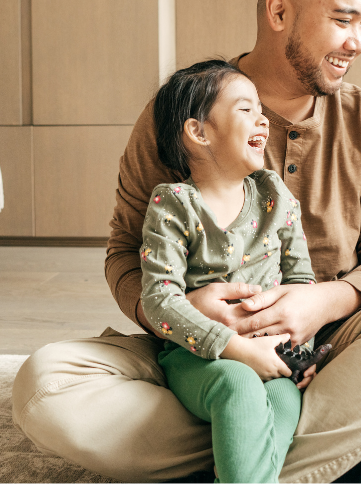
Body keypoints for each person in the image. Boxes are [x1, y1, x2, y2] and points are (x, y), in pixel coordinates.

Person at [12, 0, 361, 484]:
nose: (359, 41)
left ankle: (237, 454)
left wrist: (317, 303)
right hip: (194, 353)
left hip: (319, 356)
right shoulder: (184, 110)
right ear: (279, 11)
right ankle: (284, 448)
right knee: (45, 384)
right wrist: (189, 311)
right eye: (343, 20)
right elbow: (124, 254)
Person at [142, 59, 322, 484]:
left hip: (273, 350)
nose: (262, 117)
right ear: (199, 132)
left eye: (260, 108)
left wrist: (299, 348)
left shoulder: (276, 197)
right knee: (238, 386)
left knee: (283, 398)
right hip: (198, 357)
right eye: (245, 109)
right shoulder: (173, 204)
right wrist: (235, 350)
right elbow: (158, 299)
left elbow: (301, 283)